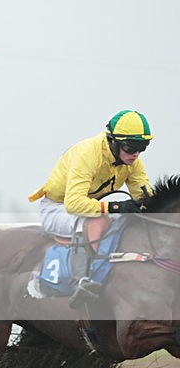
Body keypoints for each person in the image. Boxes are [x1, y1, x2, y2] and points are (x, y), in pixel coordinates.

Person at [28, 109, 153, 308]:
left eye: (142, 147)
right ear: (113, 141)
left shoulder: (132, 161)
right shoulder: (87, 154)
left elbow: (144, 195)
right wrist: (116, 207)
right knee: (95, 220)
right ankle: (81, 280)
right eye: (131, 147)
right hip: (59, 209)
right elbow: (74, 204)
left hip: (90, 208)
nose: (136, 154)